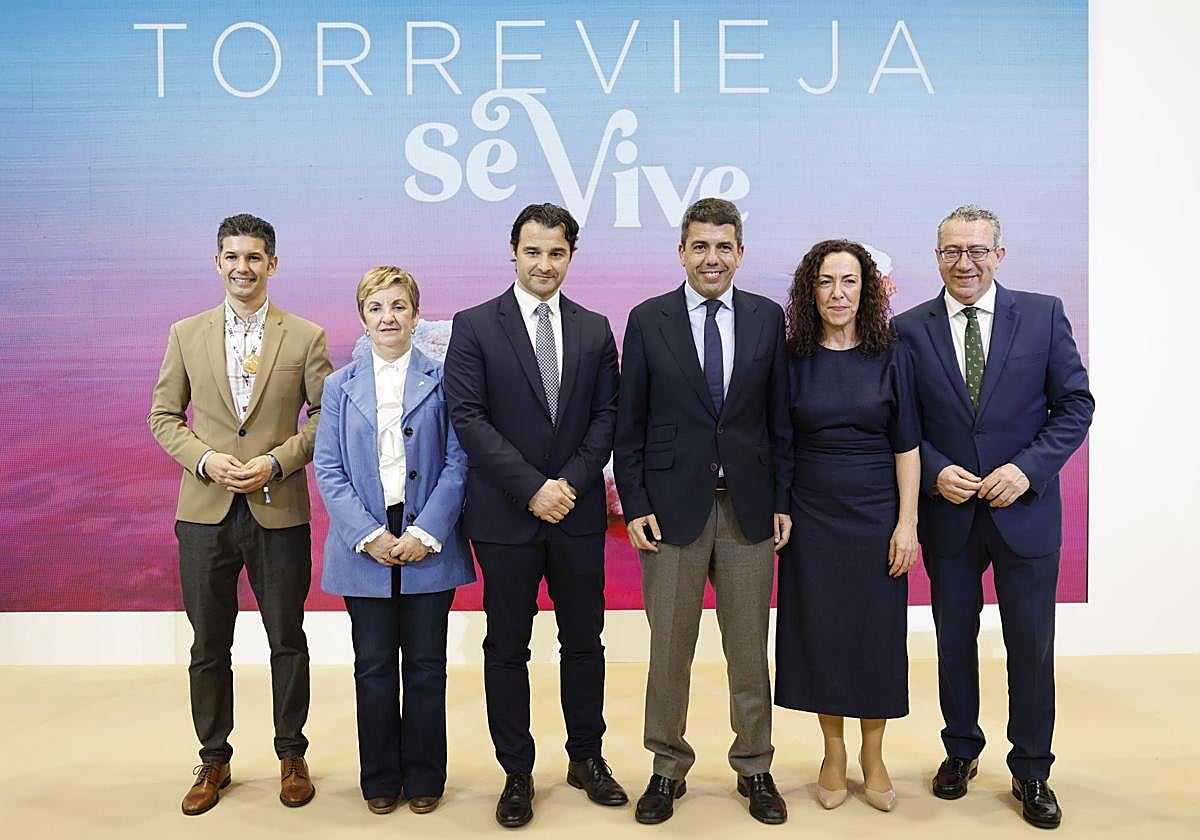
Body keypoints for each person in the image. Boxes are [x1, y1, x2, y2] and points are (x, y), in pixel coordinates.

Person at [894, 205, 1094, 829]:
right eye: (953, 251)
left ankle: (1033, 769)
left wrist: (1027, 469)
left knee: (1030, 647)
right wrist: (933, 469)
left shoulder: (1042, 314)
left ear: (999, 256)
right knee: (954, 642)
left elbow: (1075, 406)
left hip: (1024, 512)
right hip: (948, 514)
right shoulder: (908, 329)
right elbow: (899, 422)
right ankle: (960, 751)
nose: (966, 263)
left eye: (978, 251)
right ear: (937, 256)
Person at [443, 203, 625, 828]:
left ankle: (587, 757)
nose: (544, 264)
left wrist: (567, 485)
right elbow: (467, 418)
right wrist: (531, 489)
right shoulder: (474, 327)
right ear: (513, 253)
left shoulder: (597, 329)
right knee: (507, 648)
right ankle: (516, 771)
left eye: (557, 253)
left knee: (583, 644)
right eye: (533, 252)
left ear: (571, 255)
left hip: (575, 515)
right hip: (506, 519)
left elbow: (608, 418)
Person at [613, 197, 793, 825]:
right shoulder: (647, 319)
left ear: (739, 252)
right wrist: (633, 502)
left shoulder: (769, 319)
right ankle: (666, 768)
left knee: (749, 650)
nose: (711, 258)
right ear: (681, 252)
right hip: (670, 514)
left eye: (723, 246)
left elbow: (781, 423)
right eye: (699, 246)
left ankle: (756, 766)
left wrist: (782, 500)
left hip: (748, 511)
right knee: (669, 651)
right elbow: (628, 422)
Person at [148, 213, 331, 815]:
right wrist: (204, 461)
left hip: (279, 511)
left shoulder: (305, 336)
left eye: (254, 257)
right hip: (204, 512)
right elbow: (164, 418)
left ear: (271, 264)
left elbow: (325, 422)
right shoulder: (185, 333)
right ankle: (214, 758)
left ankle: (291, 754)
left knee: (288, 638)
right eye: (232, 257)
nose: (243, 267)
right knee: (208, 644)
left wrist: (277, 463)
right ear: (217, 263)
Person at [314, 266, 475, 815]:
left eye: (399, 307)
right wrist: (367, 534)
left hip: (429, 530)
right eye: (377, 308)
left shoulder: (445, 377)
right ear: (363, 317)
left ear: (415, 314)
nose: (388, 317)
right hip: (365, 537)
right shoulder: (339, 386)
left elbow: (458, 462)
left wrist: (427, 531)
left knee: (428, 664)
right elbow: (328, 469)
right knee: (374, 665)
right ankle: (380, 778)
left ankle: (426, 776)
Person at [774, 240, 920, 812]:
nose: (839, 293)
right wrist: (782, 505)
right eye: (827, 281)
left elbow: (906, 445)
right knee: (823, 633)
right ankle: (832, 753)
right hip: (812, 515)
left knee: (876, 634)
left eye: (850, 281)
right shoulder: (792, 357)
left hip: (877, 513)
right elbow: (780, 442)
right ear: (811, 290)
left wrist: (907, 522)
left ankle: (874, 754)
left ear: (868, 289)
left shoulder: (893, 354)